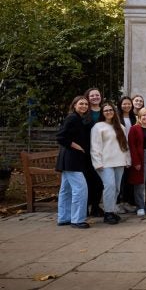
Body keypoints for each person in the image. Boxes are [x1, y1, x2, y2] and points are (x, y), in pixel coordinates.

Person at [55, 96, 93, 228]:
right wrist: (78, 147)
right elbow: (61, 137)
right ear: (74, 105)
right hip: (72, 159)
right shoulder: (72, 118)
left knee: (66, 190)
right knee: (80, 189)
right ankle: (77, 219)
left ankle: (64, 217)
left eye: (86, 104)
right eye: (81, 104)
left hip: (69, 159)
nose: (84, 106)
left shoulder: (79, 118)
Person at [91, 103, 132, 224]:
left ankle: (112, 210)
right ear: (102, 113)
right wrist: (97, 162)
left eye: (110, 110)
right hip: (105, 163)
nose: (108, 112)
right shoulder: (98, 127)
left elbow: (125, 146)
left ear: (114, 112)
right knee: (109, 186)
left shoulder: (120, 127)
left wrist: (128, 160)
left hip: (119, 161)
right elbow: (95, 146)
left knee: (117, 188)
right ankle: (107, 213)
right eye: (106, 110)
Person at [83, 88, 105, 217]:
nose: (95, 97)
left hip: (102, 151)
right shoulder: (85, 111)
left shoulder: (104, 111)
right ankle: (84, 206)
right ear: (87, 97)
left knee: (99, 180)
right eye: (92, 95)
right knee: (87, 180)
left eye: (97, 95)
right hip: (86, 150)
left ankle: (95, 206)